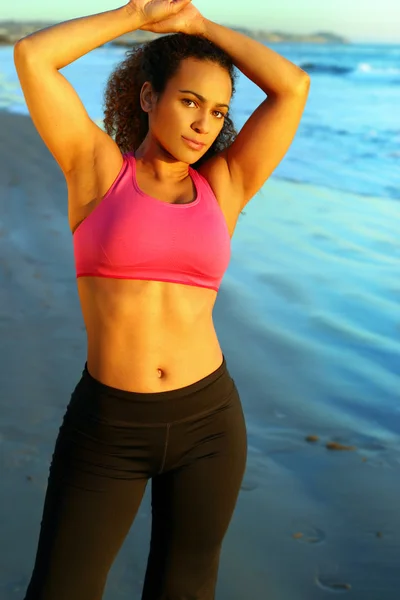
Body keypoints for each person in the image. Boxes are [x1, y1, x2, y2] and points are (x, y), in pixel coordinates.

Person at [14, 0, 310, 598]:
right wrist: (137, 15)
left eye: (219, 109)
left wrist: (201, 26)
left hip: (209, 422)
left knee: (186, 587)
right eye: (189, 100)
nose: (205, 123)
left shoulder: (225, 185)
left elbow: (292, 86)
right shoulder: (97, 170)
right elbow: (34, 57)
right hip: (109, 425)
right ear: (148, 97)